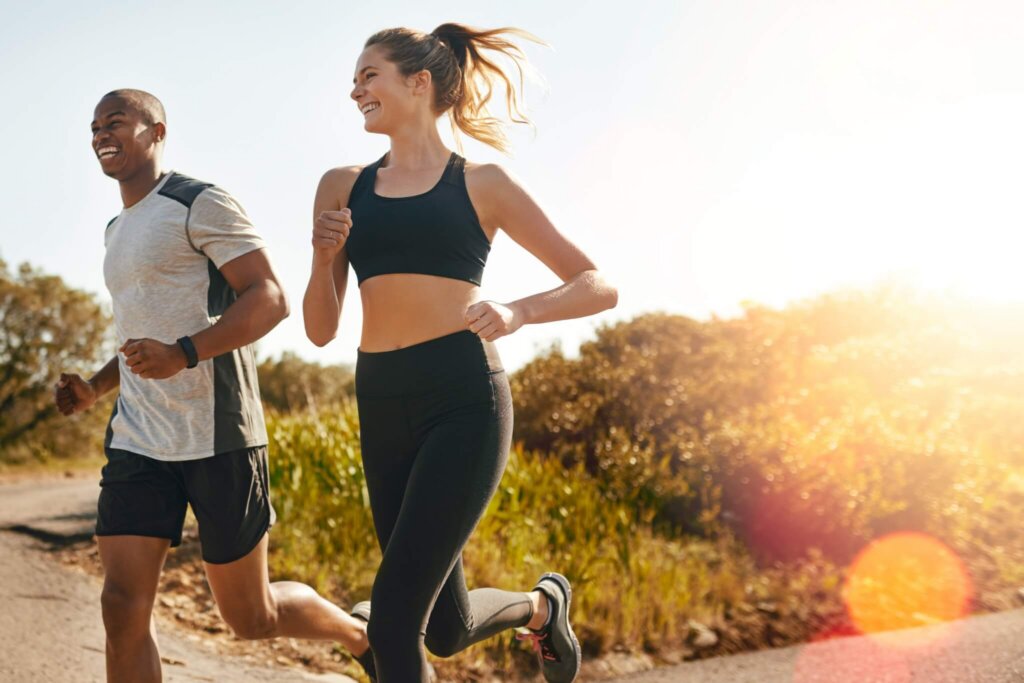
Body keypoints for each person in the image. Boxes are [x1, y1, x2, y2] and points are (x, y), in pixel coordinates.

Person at [303, 23, 618, 683]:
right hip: (381, 399)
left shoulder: (482, 183)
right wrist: (322, 254)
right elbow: (320, 329)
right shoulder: (342, 185)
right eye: (355, 78)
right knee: (443, 627)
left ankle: (536, 608)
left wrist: (519, 310)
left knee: (390, 620)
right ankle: (543, 606)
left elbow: (597, 283)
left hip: (463, 399)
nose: (355, 88)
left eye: (370, 75)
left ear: (419, 83)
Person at [55, 89, 375, 683]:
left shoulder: (197, 201)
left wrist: (184, 354)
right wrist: (97, 389)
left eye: (116, 122)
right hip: (139, 439)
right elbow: (137, 333)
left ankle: (360, 635)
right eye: (94, 125)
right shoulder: (114, 229)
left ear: (157, 131)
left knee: (251, 618)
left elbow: (270, 297)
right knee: (122, 607)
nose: (101, 132)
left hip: (218, 434)